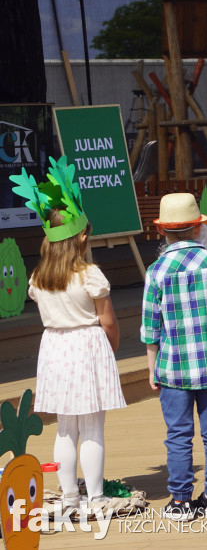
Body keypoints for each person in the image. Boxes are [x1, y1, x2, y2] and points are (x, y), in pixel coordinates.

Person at [15, 158, 126, 514]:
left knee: (65, 429)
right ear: (81, 237)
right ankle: (95, 498)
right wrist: (112, 346)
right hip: (87, 345)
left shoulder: (38, 278)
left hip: (55, 348)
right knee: (92, 426)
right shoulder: (89, 275)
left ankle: (69, 497)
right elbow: (107, 321)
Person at [141, 193, 207, 521]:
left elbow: (151, 328)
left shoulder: (156, 271)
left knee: (178, 433)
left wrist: (152, 369)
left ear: (163, 231)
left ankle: (180, 501)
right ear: (197, 228)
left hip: (173, 368)